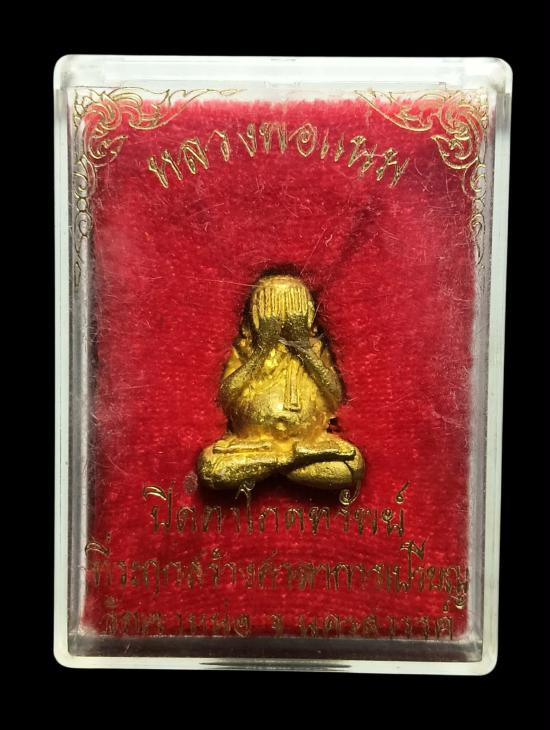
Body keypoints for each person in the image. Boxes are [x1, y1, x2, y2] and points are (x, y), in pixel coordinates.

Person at [198, 274, 364, 504]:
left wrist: (303, 348)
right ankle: (289, 461)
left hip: (310, 442)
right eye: (271, 306)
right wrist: (262, 350)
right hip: (252, 445)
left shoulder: (316, 350)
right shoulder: (245, 349)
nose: (283, 316)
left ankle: (274, 464)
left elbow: (335, 399)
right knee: (210, 468)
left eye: (293, 305)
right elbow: (225, 399)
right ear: (255, 314)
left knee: (352, 466)